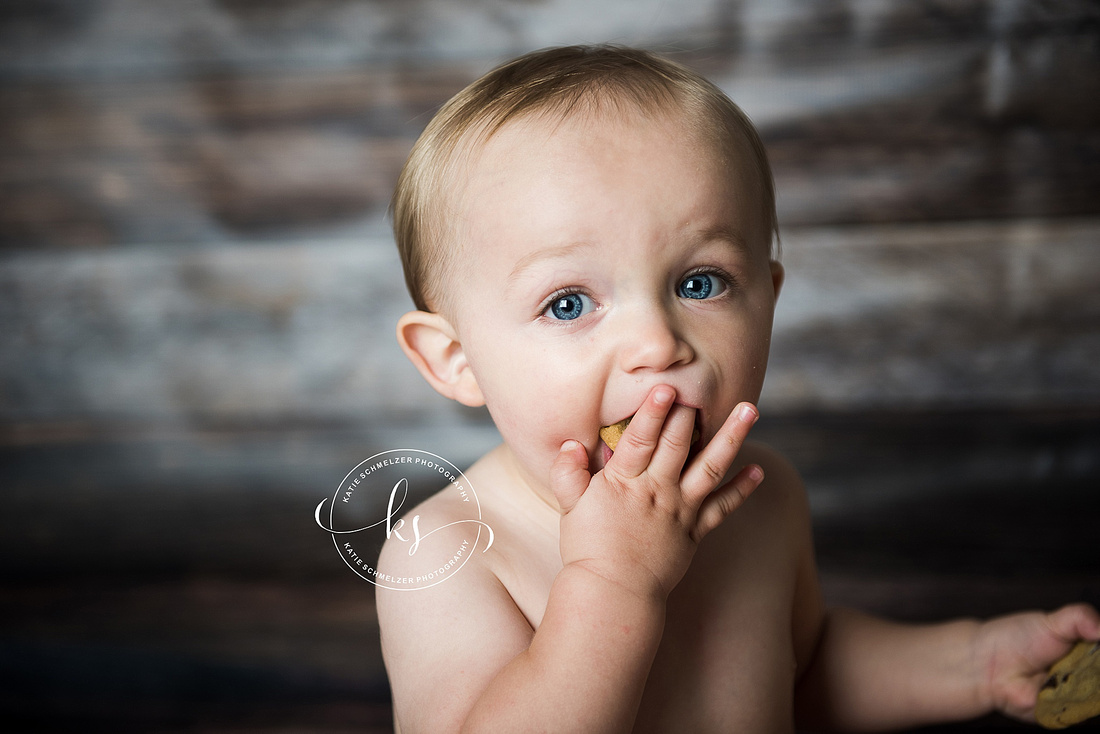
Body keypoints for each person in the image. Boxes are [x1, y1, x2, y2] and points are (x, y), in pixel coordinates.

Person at [376, 44, 1099, 732]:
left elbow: (802, 676)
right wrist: (612, 582)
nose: (657, 342)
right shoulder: (445, 551)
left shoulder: (764, 495)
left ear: (768, 300)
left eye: (701, 283)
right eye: (568, 302)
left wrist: (973, 663)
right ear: (456, 360)